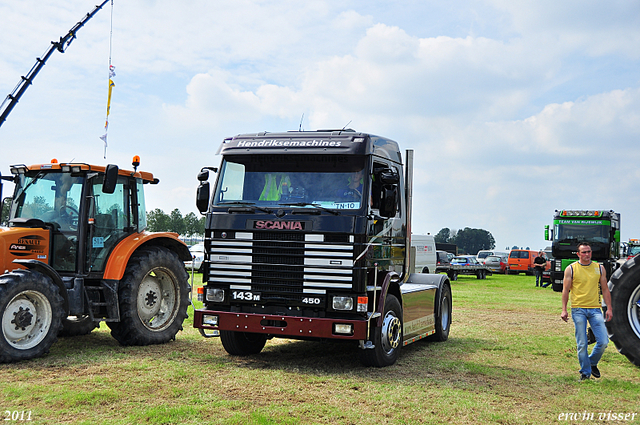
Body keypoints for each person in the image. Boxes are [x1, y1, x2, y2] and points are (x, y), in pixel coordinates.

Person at [560, 242, 613, 381]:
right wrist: (564, 310)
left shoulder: (599, 268)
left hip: (595, 309)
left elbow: (605, 289)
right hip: (578, 309)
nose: (587, 254)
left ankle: (592, 363)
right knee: (582, 343)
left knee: (603, 341)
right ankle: (585, 373)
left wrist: (609, 308)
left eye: (589, 251)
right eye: (583, 252)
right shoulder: (571, 269)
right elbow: (565, 290)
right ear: (578, 254)